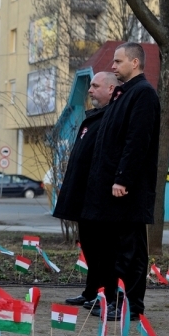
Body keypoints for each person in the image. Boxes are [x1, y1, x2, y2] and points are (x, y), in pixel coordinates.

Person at [83, 43, 160, 321]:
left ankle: (132, 306)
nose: (113, 67)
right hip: (113, 190)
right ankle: (116, 301)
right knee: (116, 250)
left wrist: (123, 178)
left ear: (135, 63)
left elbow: (137, 141)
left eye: (118, 61)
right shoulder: (123, 94)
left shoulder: (143, 94)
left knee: (131, 250)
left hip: (130, 190)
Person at [53, 72, 116, 309]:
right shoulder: (94, 117)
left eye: (95, 86)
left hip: (99, 197)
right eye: (90, 85)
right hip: (83, 196)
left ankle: (108, 296)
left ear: (111, 89)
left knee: (104, 249)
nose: (89, 90)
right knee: (89, 246)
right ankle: (92, 291)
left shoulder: (113, 117)